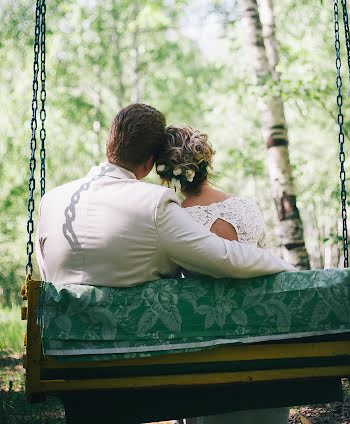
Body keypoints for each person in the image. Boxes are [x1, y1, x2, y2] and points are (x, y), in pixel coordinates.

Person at [36, 103, 296, 288]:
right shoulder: (153, 203)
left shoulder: (50, 201)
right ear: (150, 163)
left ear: (109, 143)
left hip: (57, 349)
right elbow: (224, 258)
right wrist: (285, 266)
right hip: (132, 354)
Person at [156, 124, 292, 424]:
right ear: (206, 160)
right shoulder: (246, 207)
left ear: (166, 174)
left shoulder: (173, 221)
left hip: (206, 359)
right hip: (265, 352)